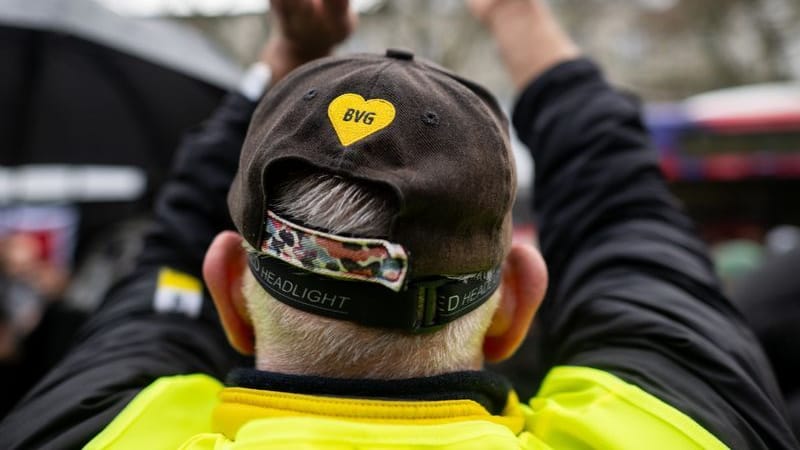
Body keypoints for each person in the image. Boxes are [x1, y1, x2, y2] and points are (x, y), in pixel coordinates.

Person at [1, 0, 797, 448]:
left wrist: (279, 64)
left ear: (227, 286)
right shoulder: (665, 435)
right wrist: (517, 16)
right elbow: (630, 219)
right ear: (517, 299)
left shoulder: (98, 432)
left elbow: (165, 262)